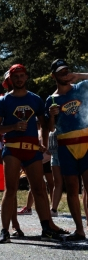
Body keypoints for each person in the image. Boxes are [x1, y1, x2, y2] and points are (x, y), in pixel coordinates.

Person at [0, 64, 66, 244]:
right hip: (13, 150)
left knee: (39, 189)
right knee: (10, 190)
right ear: (11, 78)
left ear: (26, 77)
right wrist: (13, 127)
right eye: (16, 76)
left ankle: (46, 227)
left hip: (32, 150)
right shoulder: (3, 101)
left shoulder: (36, 100)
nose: (19, 79)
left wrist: (45, 142)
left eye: (22, 75)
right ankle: (4, 230)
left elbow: (46, 124)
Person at [44, 59, 88, 241]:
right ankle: (79, 230)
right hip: (65, 145)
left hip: (86, 141)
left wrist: (78, 75)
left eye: (67, 71)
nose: (65, 75)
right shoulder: (51, 99)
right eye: (61, 73)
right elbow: (50, 129)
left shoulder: (80, 88)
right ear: (54, 76)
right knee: (71, 188)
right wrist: (52, 117)